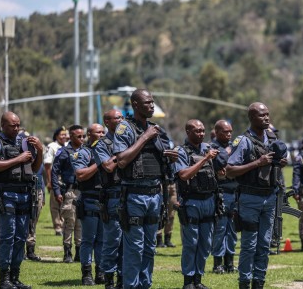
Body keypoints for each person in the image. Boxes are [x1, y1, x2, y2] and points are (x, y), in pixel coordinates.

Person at [113, 89, 178, 289]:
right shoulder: (125, 128)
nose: (151, 105)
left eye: (152, 102)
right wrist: (144, 138)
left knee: (150, 247)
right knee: (135, 248)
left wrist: (171, 156)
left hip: (155, 195)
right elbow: (121, 161)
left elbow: (164, 157)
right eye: (147, 103)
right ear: (135, 104)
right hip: (134, 195)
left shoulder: (156, 130)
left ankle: (145, 285)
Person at [226, 102, 287, 289]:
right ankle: (244, 282)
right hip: (250, 198)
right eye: (262, 115)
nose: (267, 118)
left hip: (269, 198)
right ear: (252, 118)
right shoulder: (243, 141)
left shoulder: (271, 138)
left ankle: (259, 282)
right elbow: (229, 170)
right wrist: (257, 163)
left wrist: (280, 162)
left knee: (265, 245)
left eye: (268, 114)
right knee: (249, 245)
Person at [0, 111, 43, 289]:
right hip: (7, 195)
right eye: (13, 125)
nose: (17, 128)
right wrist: (18, 158)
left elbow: (33, 168)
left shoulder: (24, 142)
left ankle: (15, 276)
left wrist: (40, 151)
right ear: (3, 125)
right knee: (8, 236)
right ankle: (4, 278)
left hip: (25, 195)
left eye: (18, 124)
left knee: (21, 237)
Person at [174, 119, 219, 289]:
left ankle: (198, 279)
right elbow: (184, 175)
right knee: (191, 243)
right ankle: (188, 281)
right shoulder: (181, 151)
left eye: (202, 130)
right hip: (191, 201)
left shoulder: (208, 148)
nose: (201, 133)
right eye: (197, 131)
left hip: (209, 200)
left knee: (205, 243)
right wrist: (205, 159)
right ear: (188, 132)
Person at [92, 109, 124, 289]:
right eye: (116, 118)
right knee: (112, 241)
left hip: (129, 195)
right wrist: (123, 153)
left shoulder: (129, 140)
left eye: (121, 117)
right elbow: (108, 167)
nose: (120, 121)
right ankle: (109, 280)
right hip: (113, 197)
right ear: (106, 122)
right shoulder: (102, 144)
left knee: (127, 243)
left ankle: (122, 279)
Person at [71, 123, 105, 285]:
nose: (102, 135)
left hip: (105, 200)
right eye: (99, 132)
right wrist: (99, 163)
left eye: (103, 132)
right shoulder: (83, 153)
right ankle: (86, 274)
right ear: (89, 135)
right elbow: (80, 175)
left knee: (102, 240)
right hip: (90, 200)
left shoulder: (108, 151)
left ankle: (100, 272)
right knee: (88, 240)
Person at [52, 125, 84, 263]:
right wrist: (57, 191)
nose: (82, 139)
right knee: (69, 223)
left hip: (83, 191)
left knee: (80, 223)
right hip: (70, 192)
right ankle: (67, 252)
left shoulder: (86, 150)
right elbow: (54, 172)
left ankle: (79, 252)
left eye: (83, 136)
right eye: (79, 136)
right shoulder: (64, 152)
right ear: (71, 137)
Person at [210, 120, 238, 274]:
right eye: (225, 132)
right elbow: (222, 165)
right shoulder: (212, 148)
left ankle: (230, 262)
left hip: (234, 193)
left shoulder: (234, 147)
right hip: (220, 194)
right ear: (217, 132)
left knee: (232, 230)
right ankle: (217, 264)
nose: (229, 134)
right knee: (220, 230)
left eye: (230, 131)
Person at [24, 133, 45, 262]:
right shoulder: (22, 154)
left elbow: (40, 175)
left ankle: (30, 249)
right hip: (24, 190)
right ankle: (21, 251)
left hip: (36, 190)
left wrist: (42, 192)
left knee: (33, 220)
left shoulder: (39, 154)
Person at [44, 126, 67, 236]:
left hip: (66, 178)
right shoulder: (52, 146)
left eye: (65, 134)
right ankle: (58, 226)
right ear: (56, 136)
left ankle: (64, 225)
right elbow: (48, 165)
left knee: (65, 202)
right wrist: (49, 181)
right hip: (56, 177)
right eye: (61, 134)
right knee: (55, 203)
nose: (64, 136)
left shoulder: (68, 145)